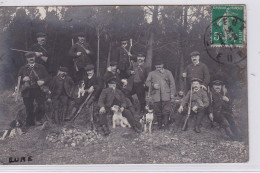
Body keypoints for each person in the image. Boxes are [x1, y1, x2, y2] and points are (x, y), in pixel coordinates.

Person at [18, 52, 50, 126]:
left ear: (35, 58)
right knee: (28, 106)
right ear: (26, 59)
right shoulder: (23, 68)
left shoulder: (41, 67)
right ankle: (30, 121)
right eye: (29, 57)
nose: (31, 59)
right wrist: (23, 79)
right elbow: (18, 79)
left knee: (41, 105)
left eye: (32, 57)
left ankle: (38, 119)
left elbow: (48, 77)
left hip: (39, 89)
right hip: (27, 90)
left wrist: (43, 81)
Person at [145, 58, 176, 130]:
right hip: (156, 95)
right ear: (155, 66)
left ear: (163, 65)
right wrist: (153, 85)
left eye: (160, 65)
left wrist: (172, 94)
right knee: (157, 110)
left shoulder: (168, 72)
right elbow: (147, 83)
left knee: (166, 110)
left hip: (166, 94)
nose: (158, 67)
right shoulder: (151, 73)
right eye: (157, 66)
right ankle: (159, 126)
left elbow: (172, 84)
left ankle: (166, 126)